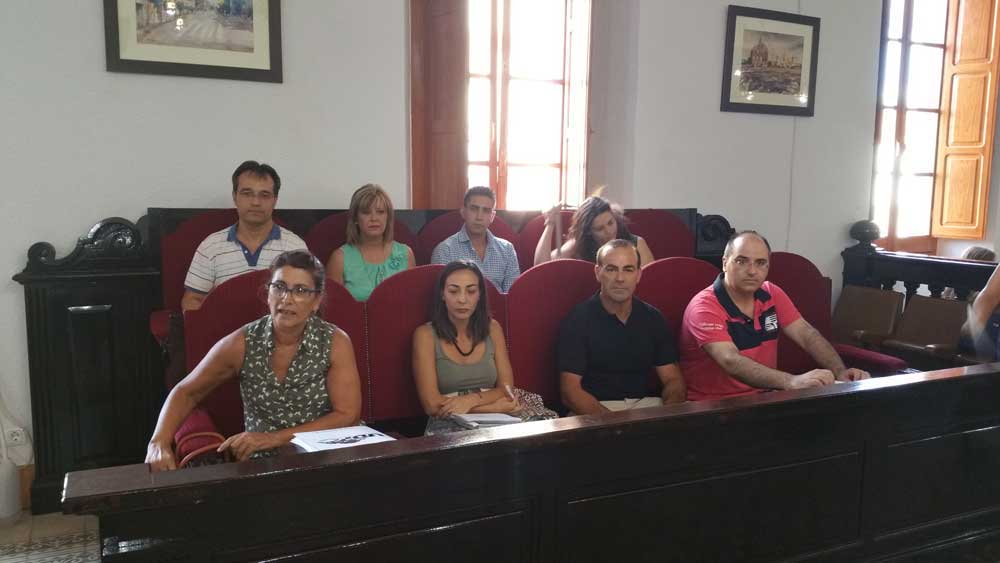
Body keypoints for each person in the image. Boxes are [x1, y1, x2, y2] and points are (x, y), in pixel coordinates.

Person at [146, 250, 362, 470]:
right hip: (263, 465)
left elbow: (348, 415)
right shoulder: (242, 342)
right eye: (279, 287)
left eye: (300, 290)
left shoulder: (334, 341)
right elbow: (186, 392)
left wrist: (274, 438)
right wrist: (158, 442)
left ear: (316, 301)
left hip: (326, 460)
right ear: (268, 293)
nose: (287, 299)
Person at [679, 231, 869, 402]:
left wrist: (840, 372)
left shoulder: (771, 293)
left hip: (767, 398)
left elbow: (806, 335)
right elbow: (730, 360)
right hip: (715, 406)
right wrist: (791, 381)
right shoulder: (704, 306)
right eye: (741, 261)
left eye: (760, 263)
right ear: (724, 263)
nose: (752, 271)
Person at [413, 261, 554, 434]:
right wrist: (492, 408)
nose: (462, 299)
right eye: (453, 291)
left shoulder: (493, 328)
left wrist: (471, 400)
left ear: (479, 294)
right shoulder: (425, 335)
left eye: (471, 291)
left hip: (498, 419)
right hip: (447, 423)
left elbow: (506, 388)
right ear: (442, 294)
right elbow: (431, 405)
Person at [557, 239, 685, 414]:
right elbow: (570, 392)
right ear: (598, 272)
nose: (620, 278)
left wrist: (668, 415)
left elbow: (673, 380)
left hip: (646, 408)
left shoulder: (653, 317)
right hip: (595, 410)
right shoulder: (577, 320)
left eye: (628, 269)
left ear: (638, 275)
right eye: (611, 269)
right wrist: (615, 424)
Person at [182, 160, 308, 312]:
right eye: (247, 194)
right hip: (226, 326)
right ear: (235, 197)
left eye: (264, 195)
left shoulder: (295, 249)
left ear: (275, 200)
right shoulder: (211, 246)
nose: (255, 202)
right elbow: (192, 300)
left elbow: (306, 300)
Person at [326, 184, 415, 301]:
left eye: (380, 212)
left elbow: (412, 302)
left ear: (388, 217)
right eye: (366, 212)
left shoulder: (406, 253)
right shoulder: (339, 258)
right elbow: (333, 306)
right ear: (355, 218)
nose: (374, 218)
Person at [430, 186, 520, 292]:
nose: (479, 217)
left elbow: (512, 295)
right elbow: (441, 296)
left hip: (498, 303)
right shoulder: (445, 251)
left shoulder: (507, 250)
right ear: (463, 212)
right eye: (474, 209)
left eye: (486, 211)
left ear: (492, 216)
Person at [533, 195, 654, 267]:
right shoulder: (578, 245)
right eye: (600, 228)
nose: (608, 231)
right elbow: (541, 267)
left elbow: (650, 282)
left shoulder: (636, 243)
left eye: (610, 223)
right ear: (589, 232)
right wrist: (550, 223)